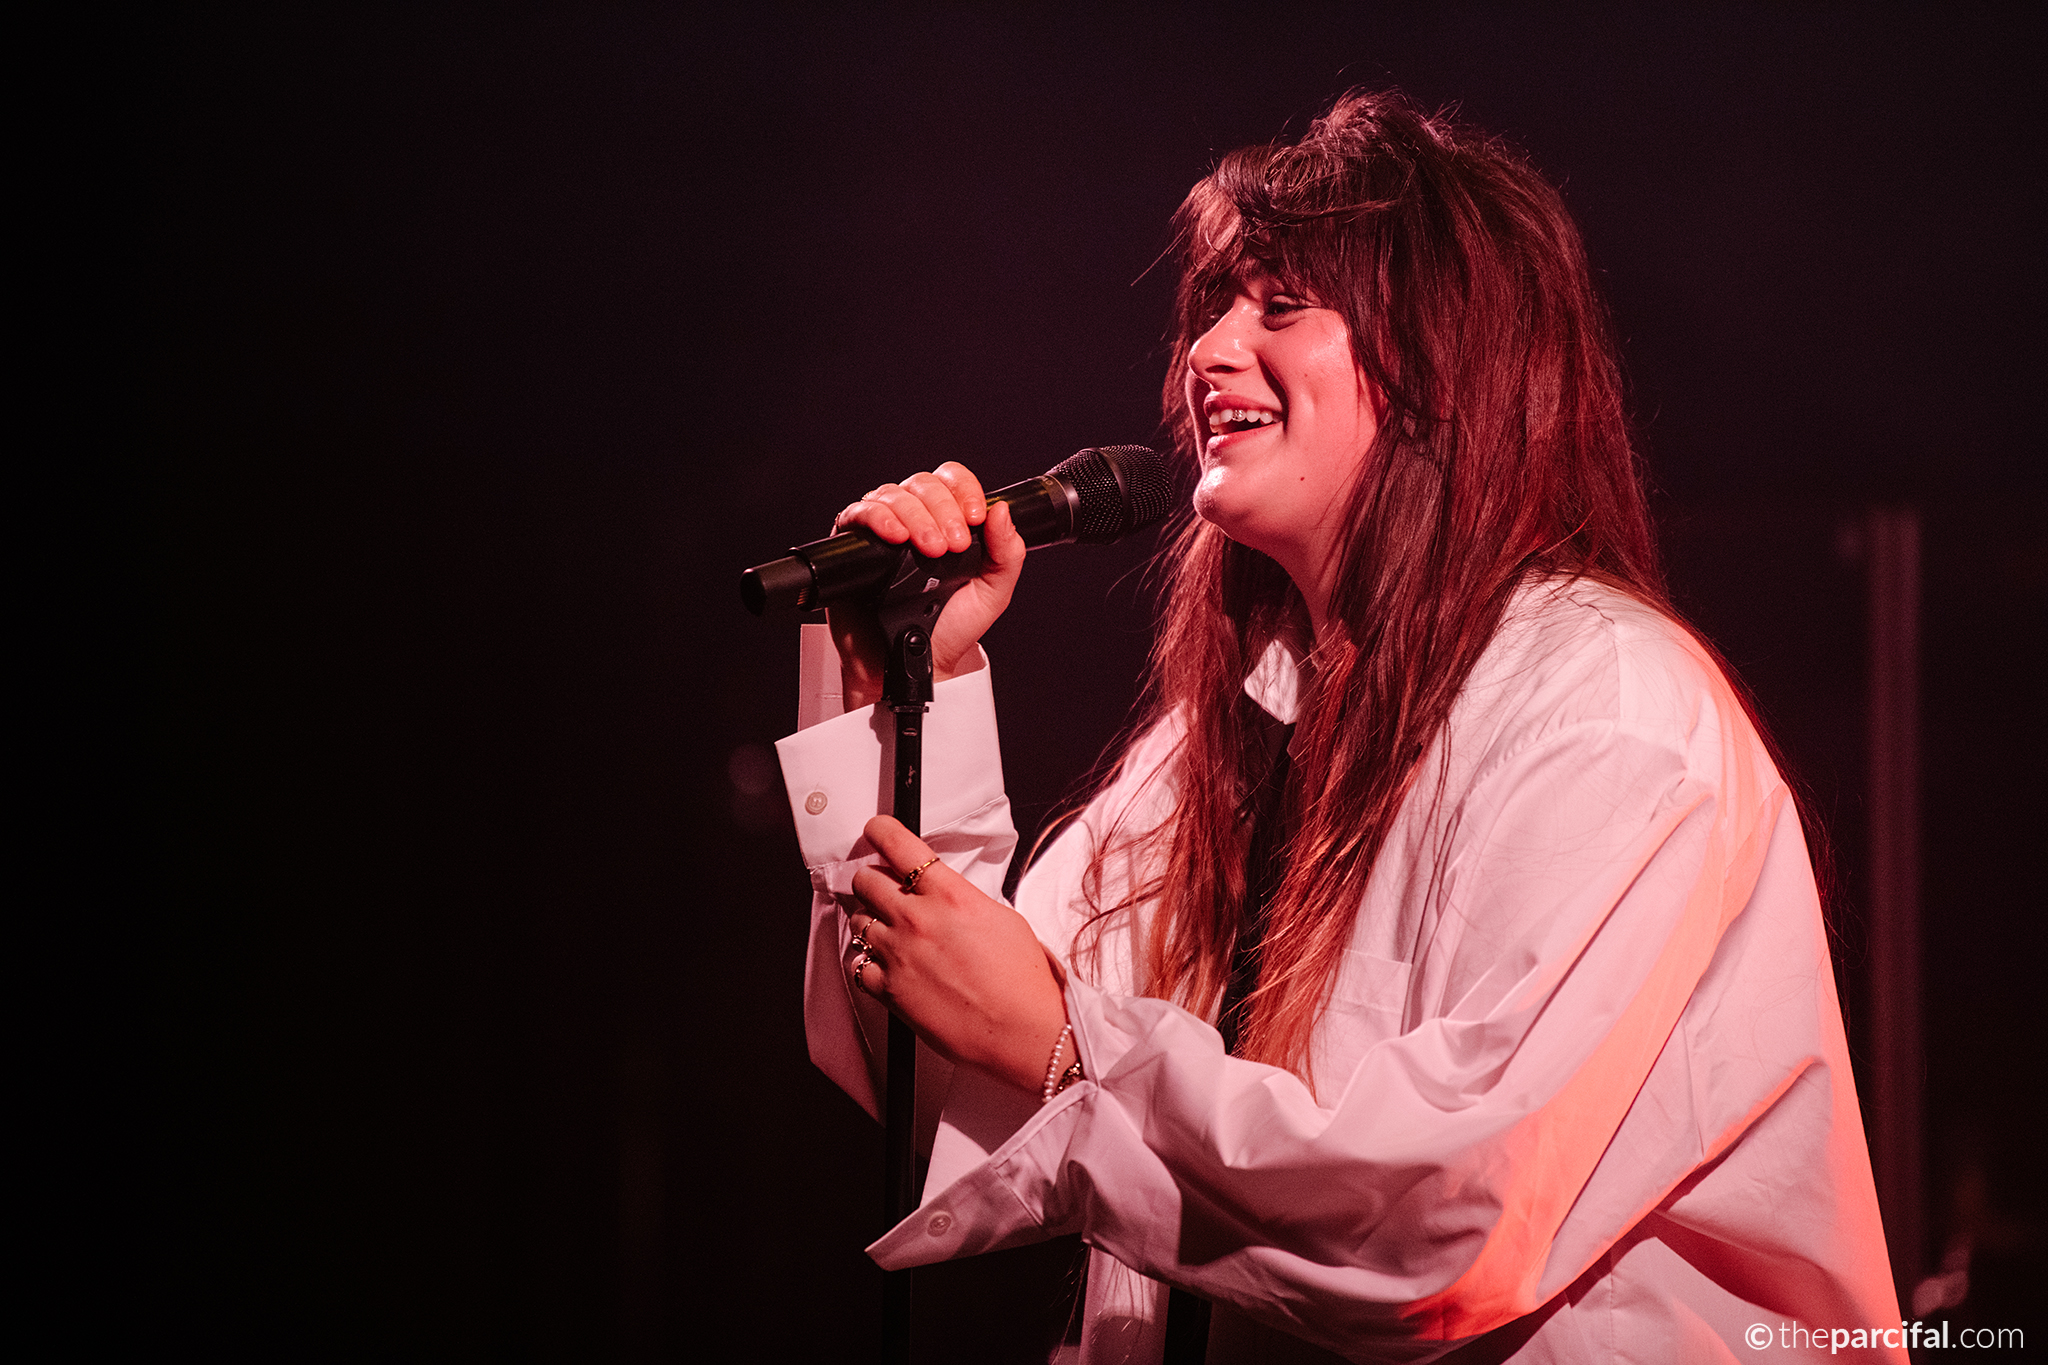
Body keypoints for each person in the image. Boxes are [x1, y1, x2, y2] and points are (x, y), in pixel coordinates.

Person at [774, 90, 1903, 1363]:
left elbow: (1441, 1217)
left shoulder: (1609, 715)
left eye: (1280, 305)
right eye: (1214, 305)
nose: (1206, 350)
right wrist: (900, 691)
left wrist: (1064, 1049)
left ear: (1441, 362)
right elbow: (944, 1083)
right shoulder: (1234, 730)